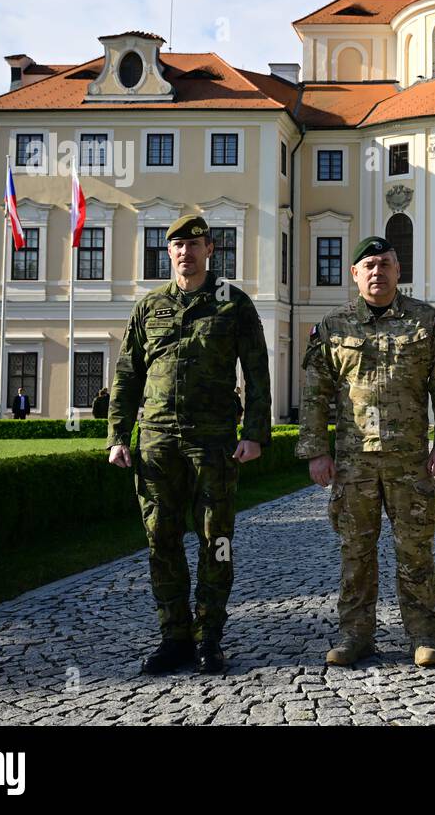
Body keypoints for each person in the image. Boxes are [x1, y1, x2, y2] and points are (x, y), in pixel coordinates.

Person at [107, 214, 271, 677]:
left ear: (210, 250)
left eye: (194, 244)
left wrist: (255, 433)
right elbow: (126, 377)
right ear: (169, 252)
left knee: (215, 540)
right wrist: (118, 436)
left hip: (214, 441)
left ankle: (209, 638)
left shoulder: (232, 304)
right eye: (177, 246)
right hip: (157, 442)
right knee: (161, 539)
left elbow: (257, 373)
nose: (185, 253)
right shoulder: (149, 308)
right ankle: (173, 636)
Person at [298, 235, 435, 669]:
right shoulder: (333, 328)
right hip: (354, 463)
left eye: (385, 263)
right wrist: (317, 451)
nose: (377, 271)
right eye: (368, 265)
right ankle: (356, 635)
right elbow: (315, 394)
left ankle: (423, 635)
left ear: (398, 270)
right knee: (356, 552)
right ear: (355, 274)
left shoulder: (427, 323)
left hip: (409, 460)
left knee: (415, 551)